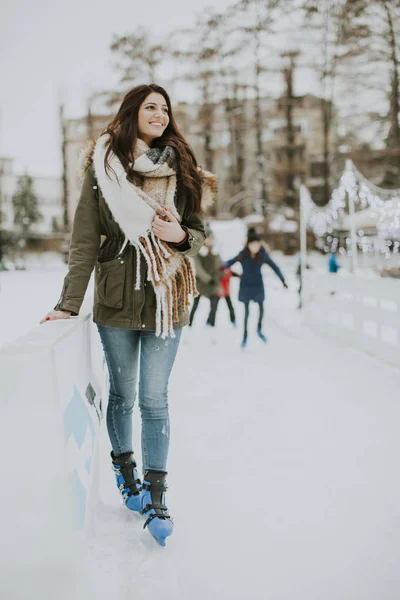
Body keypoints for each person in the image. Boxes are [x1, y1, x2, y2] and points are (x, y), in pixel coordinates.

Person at [40, 84, 215, 546]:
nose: (159, 114)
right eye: (150, 107)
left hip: (167, 299)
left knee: (154, 398)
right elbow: (84, 241)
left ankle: (157, 498)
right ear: (132, 113)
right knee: (122, 395)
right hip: (116, 300)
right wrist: (68, 304)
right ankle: (126, 475)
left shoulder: (183, 165)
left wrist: (180, 235)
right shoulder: (103, 169)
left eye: (165, 108)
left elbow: (199, 232)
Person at [224, 227, 288, 348]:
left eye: (257, 244)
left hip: (258, 286)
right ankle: (245, 336)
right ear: (248, 245)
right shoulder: (242, 255)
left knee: (261, 309)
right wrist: (224, 269)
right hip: (246, 287)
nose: (255, 247)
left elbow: (275, 267)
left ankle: (259, 329)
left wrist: (282, 280)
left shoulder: (262, 255)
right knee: (246, 313)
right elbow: (228, 263)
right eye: (252, 244)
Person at [189, 226, 222, 330]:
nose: (210, 240)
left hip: (213, 284)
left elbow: (220, 267)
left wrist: (220, 276)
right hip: (201, 283)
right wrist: (208, 279)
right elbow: (199, 269)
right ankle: (190, 323)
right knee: (195, 305)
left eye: (212, 238)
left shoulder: (216, 252)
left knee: (214, 305)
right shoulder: (198, 252)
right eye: (208, 238)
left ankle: (211, 324)